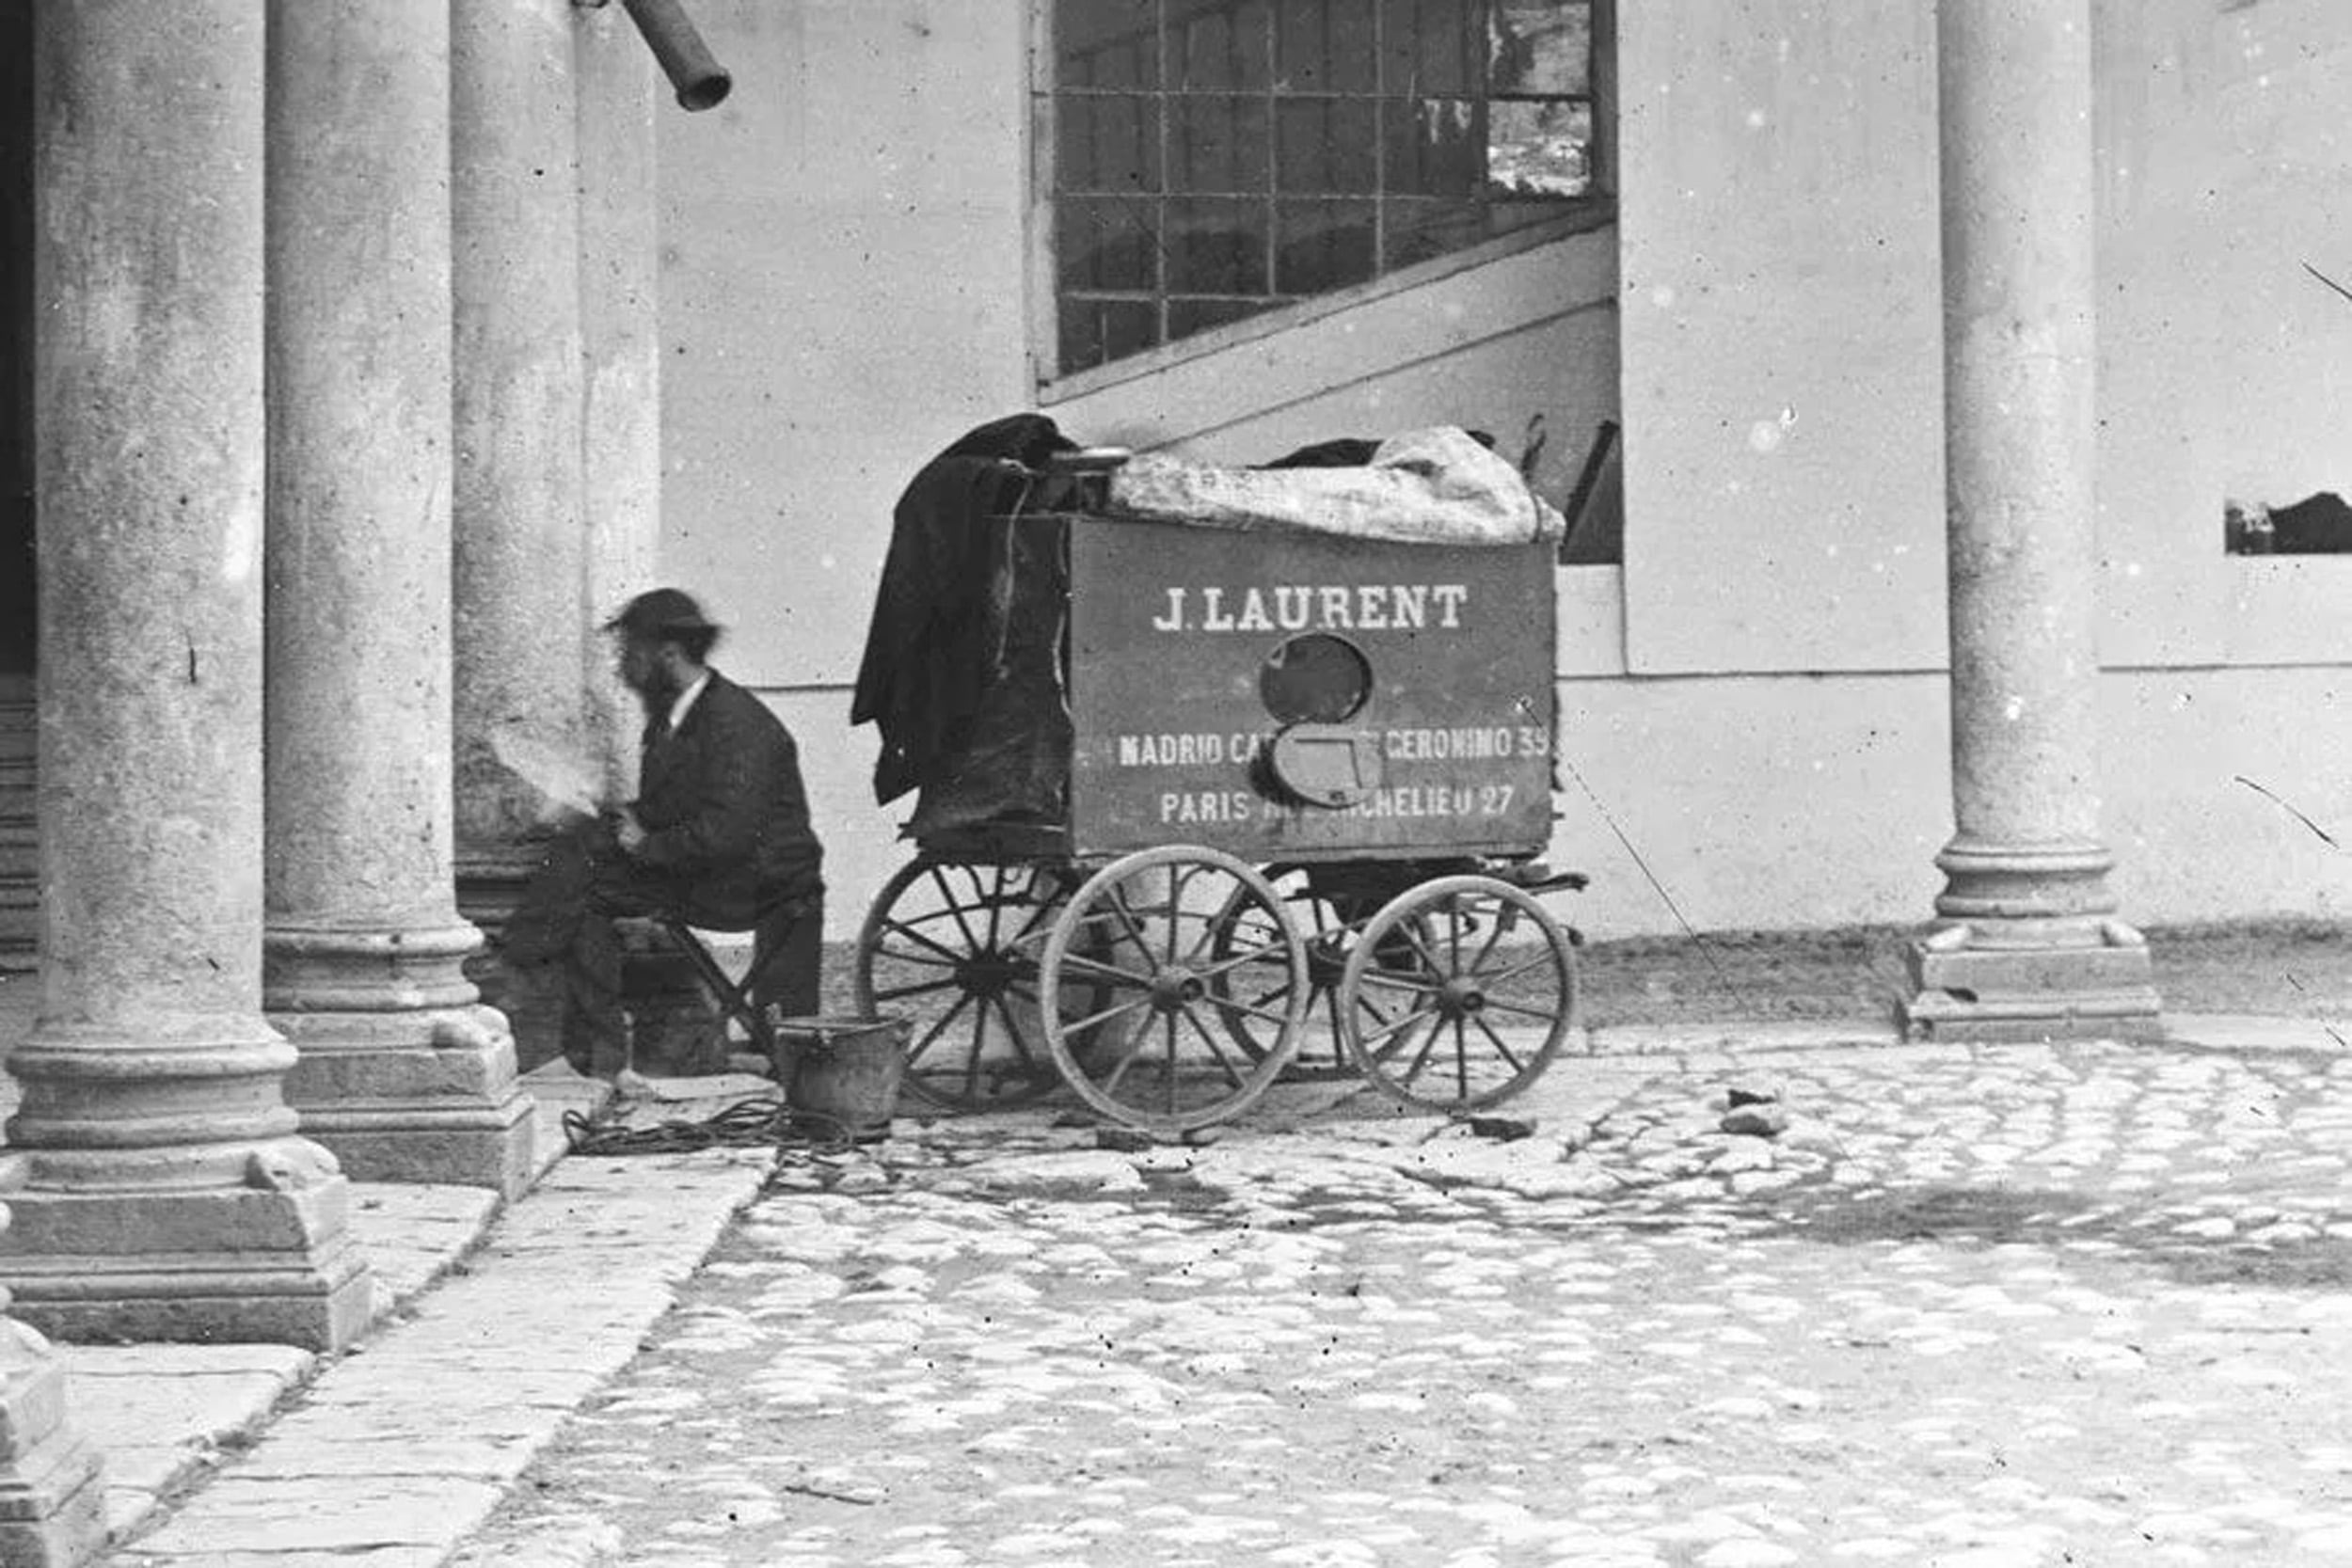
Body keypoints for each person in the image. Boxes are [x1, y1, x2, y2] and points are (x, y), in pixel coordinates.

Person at [501, 588, 825, 1077]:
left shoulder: (737, 724)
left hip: (759, 883)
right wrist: (607, 815)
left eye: (629, 654)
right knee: (580, 853)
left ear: (667, 655)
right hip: (710, 868)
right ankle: (586, 1040)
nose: (620, 669)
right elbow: (668, 806)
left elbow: (729, 832)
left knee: (586, 886)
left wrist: (647, 844)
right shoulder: (673, 718)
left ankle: (521, 974)